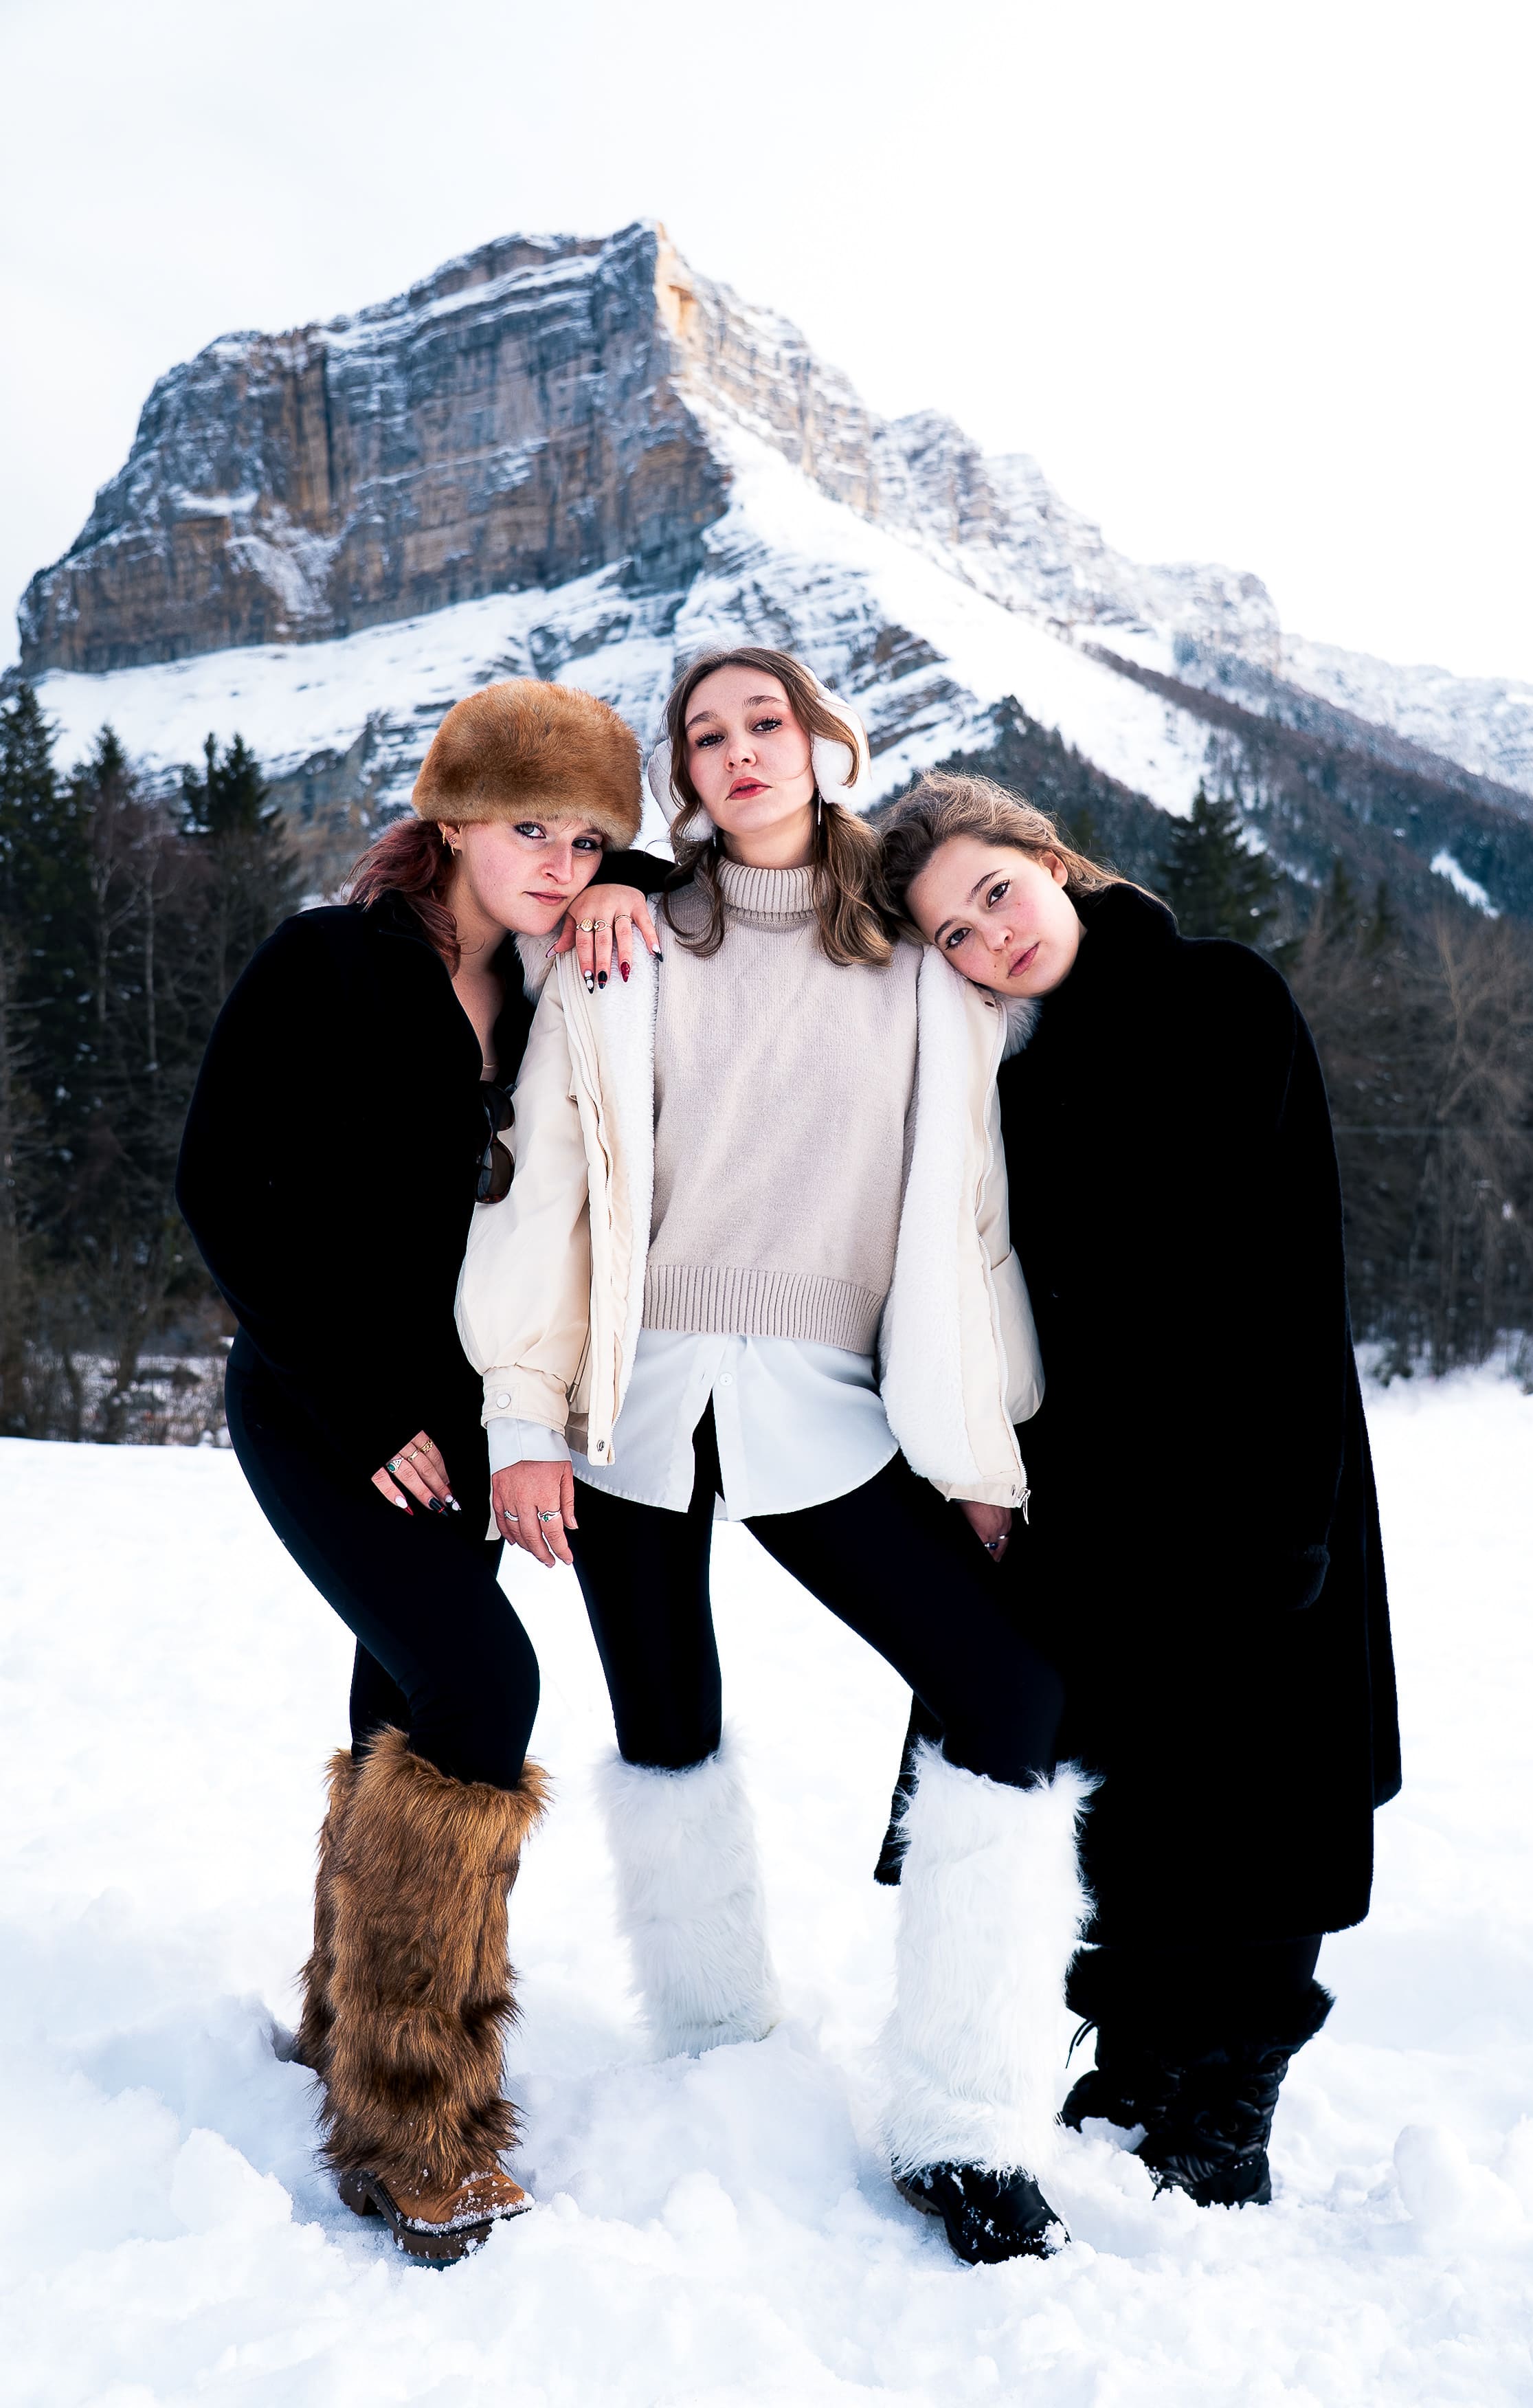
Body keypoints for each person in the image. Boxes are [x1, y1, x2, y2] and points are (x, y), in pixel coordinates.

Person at [456, 647, 1092, 2267]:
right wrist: (523, 1424)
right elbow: (546, 1200)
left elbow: (969, 1216)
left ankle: (963, 2124)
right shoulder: (624, 938)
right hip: (636, 1400)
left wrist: (976, 1442)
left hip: (830, 1408)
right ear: (682, 777)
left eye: (766, 723)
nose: (741, 753)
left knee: (1007, 1701)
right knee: (667, 1729)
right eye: (706, 737)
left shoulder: (924, 948)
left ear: (825, 740)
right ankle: (719, 2044)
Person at [175, 678, 662, 2263]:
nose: (559, 859)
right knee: (478, 1694)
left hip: (463, 1424)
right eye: (532, 825)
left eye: (588, 837)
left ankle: (343, 2019)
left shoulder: (549, 988)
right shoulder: (327, 959)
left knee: (401, 1700)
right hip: (325, 1406)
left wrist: (625, 894)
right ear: (450, 817)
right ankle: (409, 2122)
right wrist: (363, 1398)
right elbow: (221, 1186)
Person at [876, 772, 1402, 2210]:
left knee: (1256, 1800)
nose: (989, 939)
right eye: (953, 937)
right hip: (1089, 1490)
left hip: (1247, 1466)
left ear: (1051, 861)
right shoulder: (996, 1060)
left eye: (995, 893)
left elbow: (1283, 1269)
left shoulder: (1213, 995)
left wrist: (1284, 1518)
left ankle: (1223, 2102)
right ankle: (1133, 2067)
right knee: (1121, 1798)